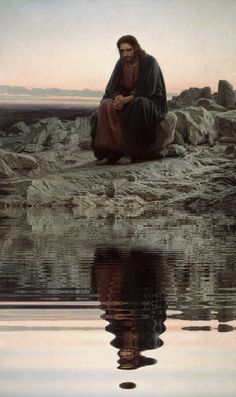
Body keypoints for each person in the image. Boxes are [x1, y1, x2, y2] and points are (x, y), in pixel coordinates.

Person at [90, 35, 168, 165]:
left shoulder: (150, 62)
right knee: (105, 105)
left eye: (129, 50)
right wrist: (117, 98)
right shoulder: (120, 63)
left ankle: (130, 153)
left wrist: (126, 100)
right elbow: (113, 87)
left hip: (150, 102)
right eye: (122, 51)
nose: (125, 54)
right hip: (126, 100)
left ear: (136, 48)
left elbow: (148, 90)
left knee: (137, 104)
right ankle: (112, 152)